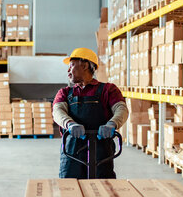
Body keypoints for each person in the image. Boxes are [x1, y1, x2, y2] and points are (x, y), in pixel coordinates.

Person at [53, 48, 129, 179]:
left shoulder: (108, 89)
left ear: (85, 65)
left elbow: (121, 109)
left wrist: (112, 124)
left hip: (101, 151)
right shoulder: (65, 93)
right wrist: (70, 124)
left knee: (102, 189)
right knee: (70, 189)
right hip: (72, 151)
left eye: (71, 65)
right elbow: (57, 111)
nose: (68, 71)